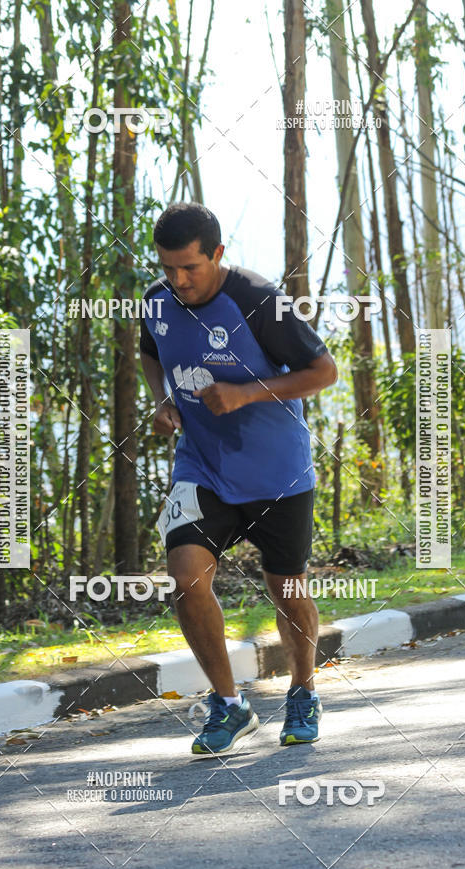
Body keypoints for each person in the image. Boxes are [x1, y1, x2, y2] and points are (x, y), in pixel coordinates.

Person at [139, 202, 338, 755]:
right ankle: (229, 705)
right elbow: (150, 354)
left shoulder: (256, 301)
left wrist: (246, 392)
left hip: (277, 471)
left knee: (287, 588)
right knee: (185, 574)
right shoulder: (156, 302)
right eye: (168, 268)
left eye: (190, 268)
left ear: (218, 256)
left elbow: (324, 372)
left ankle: (303, 690)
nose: (178, 280)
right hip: (201, 465)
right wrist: (162, 402)